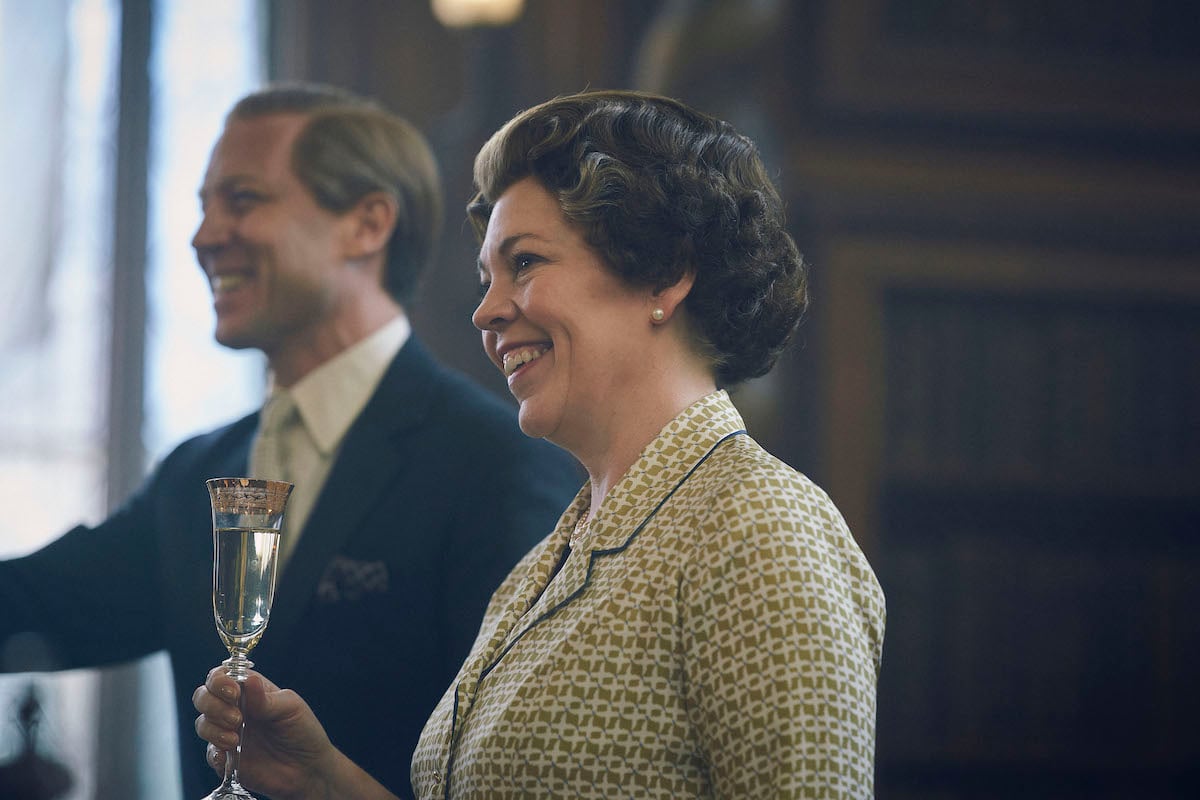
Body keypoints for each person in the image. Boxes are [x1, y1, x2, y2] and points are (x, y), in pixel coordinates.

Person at [193, 89, 886, 799]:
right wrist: (323, 781)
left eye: (524, 263)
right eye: (487, 276)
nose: (486, 311)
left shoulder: (762, 528)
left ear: (664, 272)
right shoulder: (548, 560)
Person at [0, 83, 580, 798]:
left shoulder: (500, 463)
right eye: (203, 206)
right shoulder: (194, 477)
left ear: (367, 223)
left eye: (241, 199)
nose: (204, 235)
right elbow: (31, 603)